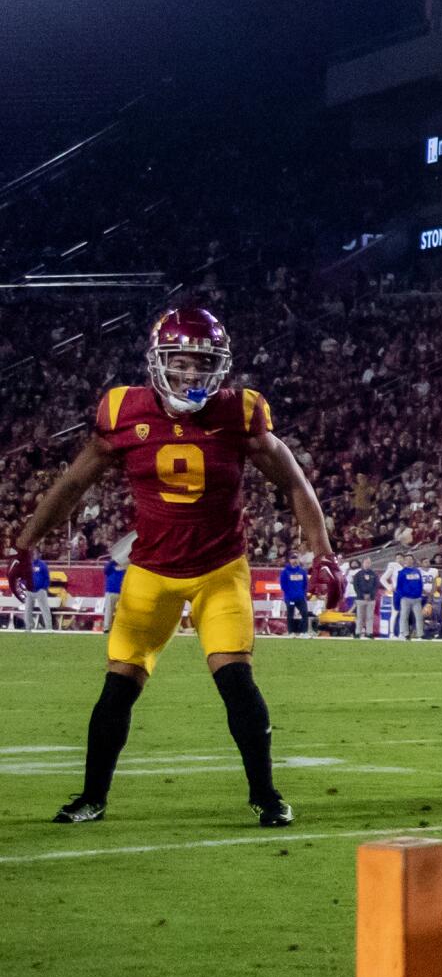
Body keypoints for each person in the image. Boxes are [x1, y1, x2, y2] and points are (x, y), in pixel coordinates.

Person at [5, 306, 339, 826]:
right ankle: (92, 797)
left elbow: (294, 481)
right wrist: (25, 543)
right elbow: (73, 483)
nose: (191, 374)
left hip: (219, 570)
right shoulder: (122, 411)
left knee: (236, 681)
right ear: (158, 362)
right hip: (151, 573)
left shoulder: (241, 412)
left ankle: (266, 796)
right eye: (180, 362)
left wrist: (323, 551)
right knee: (118, 684)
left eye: (202, 364)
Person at [393, 559, 426, 639]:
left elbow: (420, 583)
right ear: (405, 562)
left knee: (419, 617)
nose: (409, 561)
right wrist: (403, 595)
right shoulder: (402, 572)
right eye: (407, 560)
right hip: (406, 598)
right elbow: (399, 586)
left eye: (410, 560)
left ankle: (420, 634)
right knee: (404, 616)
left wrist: (419, 594)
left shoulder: (417, 571)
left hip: (416, 598)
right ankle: (404, 634)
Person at [279, 553, 311, 635]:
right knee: (290, 614)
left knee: (304, 613)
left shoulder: (302, 571)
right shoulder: (285, 572)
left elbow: (305, 584)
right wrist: (289, 594)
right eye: (293, 558)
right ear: (289, 560)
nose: (295, 560)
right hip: (290, 598)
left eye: (296, 558)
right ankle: (291, 632)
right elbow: (283, 585)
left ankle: (304, 632)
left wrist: (303, 593)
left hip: (300, 597)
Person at [350, 559, 380, 638]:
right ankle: (358, 632)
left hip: (371, 599)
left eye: (369, 563)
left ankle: (369, 632)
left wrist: (371, 595)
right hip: (360, 599)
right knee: (360, 616)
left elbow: (376, 586)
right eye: (366, 563)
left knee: (370, 616)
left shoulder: (374, 574)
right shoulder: (358, 574)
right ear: (363, 564)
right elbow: (356, 586)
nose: (367, 564)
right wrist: (362, 595)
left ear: (370, 564)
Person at [100, 552, 125, 633]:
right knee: (108, 611)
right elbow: (105, 570)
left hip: (121, 592)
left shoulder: (125, 568)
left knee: (121, 612)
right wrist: (113, 561)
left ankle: (120, 628)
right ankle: (107, 628)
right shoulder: (111, 567)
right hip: (111, 591)